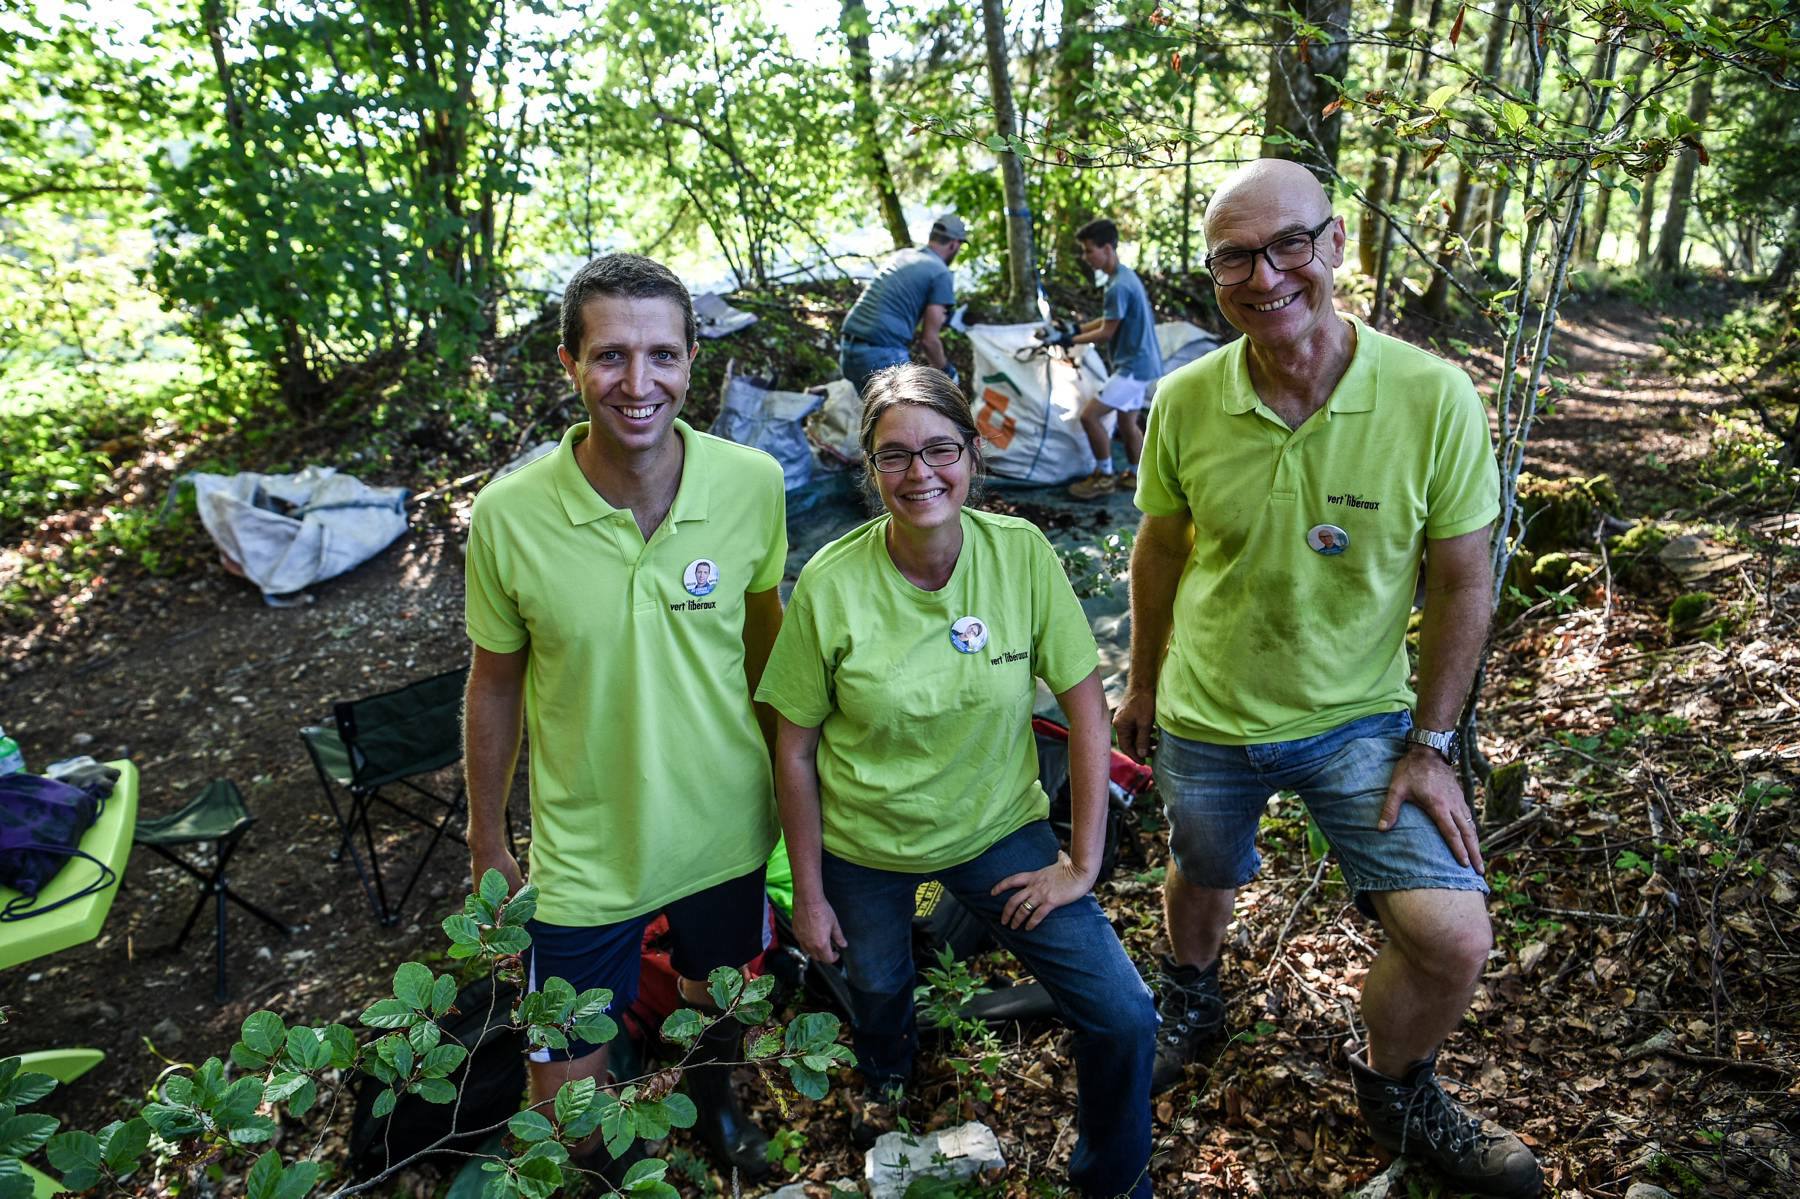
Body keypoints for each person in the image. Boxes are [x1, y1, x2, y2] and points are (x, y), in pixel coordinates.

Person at [1113, 160, 1541, 1199]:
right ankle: (1193, 997)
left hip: (1360, 717)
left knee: (1454, 937)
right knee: (1202, 862)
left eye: (1287, 245)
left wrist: (1433, 745)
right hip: (1209, 710)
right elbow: (1160, 551)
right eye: (1233, 258)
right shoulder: (1183, 401)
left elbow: (1462, 577)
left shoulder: (1431, 396)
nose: (1264, 276)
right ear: (1211, 274)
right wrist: (1141, 685)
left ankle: (1395, 1081)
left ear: (1337, 242)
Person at [758, 364, 1155, 1199]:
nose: (920, 472)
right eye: (895, 455)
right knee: (877, 982)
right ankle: (888, 1076)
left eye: (941, 447)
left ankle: (1112, 1180)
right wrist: (811, 888)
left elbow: (1088, 709)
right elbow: (792, 747)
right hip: (865, 840)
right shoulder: (831, 581)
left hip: (998, 827)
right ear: (870, 469)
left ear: (973, 455)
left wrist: (1080, 862)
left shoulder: (1020, 556)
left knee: (1122, 1014)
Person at [462, 253, 786, 1183]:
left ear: (693, 363)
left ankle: (717, 1107)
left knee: (717, 1003)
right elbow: (493, 683)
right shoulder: (510, 516)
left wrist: (801, 791)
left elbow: (768, 650)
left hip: (726, 830)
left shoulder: (752, 484)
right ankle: (603, 1174)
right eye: (610, 357)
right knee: (562, 1103)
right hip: (583, 856)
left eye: (662, 356)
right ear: (569, 365)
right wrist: (488, 837)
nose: (637, 384)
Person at [1045, 219, 1163, 501]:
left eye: (1089, 251)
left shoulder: (1117, 287)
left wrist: (1068, 340)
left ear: (1107, 248)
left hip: (1134, 367)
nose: (1086, 258)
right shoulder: (1123, 277)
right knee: (1127, 422)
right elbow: (1107, 321)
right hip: (1142, 363)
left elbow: (1106, 333)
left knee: (1090, 416)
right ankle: (1136, 475)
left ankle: (1104, 476)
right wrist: (1073, 330)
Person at [839, 215, 967, 394]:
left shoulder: (904, 255)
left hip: (848, 347)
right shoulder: (941, 273)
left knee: (874, 417)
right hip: (881, 354)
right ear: (954, 244)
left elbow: (897, 300)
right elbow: (929, 341)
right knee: (910, 418)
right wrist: (948, 374)